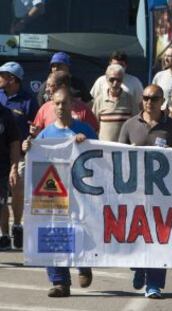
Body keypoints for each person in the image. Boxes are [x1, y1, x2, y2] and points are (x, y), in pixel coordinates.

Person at [22, 88, 96, 298]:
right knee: (52, 232)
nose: (61, 107)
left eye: (64, 103)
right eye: (57, 103)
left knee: (81, 229)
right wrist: (29, 146)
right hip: (53, 193)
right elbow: (35, 157)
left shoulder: (85, 129)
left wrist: (88, 143)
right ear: (52, 106)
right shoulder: (46, 133)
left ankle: (83, 264)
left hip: (82, 193)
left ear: (72, 105)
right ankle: (59, 281)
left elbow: (101, 158)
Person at [119, 85, 172, 298]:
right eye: (146, 98)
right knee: (136, 236)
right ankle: (138, 268)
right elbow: (117, 156)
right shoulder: (130, 125)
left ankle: (154, 285)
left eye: (155, 98)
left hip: (163, 194)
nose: (150, 102)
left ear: (162, 101)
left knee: (159, 239)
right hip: (135, 192)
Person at [0, 61, 38, 250]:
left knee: (17, 189)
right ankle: (4, 234)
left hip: (20, 155)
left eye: (2, 75)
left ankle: (17, 225)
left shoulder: (28, 100)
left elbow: (36, 127)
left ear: (12, 79)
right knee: (0, 198)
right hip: (1, 155)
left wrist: (31, 136)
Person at [32, 71, 98, 134]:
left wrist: (83, 138)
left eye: (50, 86)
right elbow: (39, 136)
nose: (46, 89)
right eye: (47, 86)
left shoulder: (83, 109)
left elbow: (94, 134)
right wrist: (35, 132)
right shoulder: (45, 109)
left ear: (62, 86)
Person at [92, 64, 137, 142]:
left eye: (118, 80)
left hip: (124, 148)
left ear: (122, 80)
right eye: (112, 79)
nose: (115, 83)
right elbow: (94, 125)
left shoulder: (130, 99)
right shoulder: (99, 100)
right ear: (106, 79)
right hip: (105, 149)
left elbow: (136, 123)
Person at [0, 104, 20, 243]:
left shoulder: (5, 114)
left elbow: (14, 143)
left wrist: (14, 167)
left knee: (1, 205)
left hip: (1, 169)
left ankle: (5, 235)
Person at [152, 45, 172, 113]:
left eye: (169, 56)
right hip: (160, 118)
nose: (166, 59)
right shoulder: (159, 76)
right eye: (165, 55)